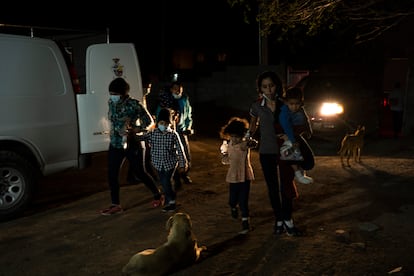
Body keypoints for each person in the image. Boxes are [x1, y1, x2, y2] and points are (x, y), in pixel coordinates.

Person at [246, 70, 302, 237]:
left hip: (287, 147)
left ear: (276, 86)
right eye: (265, 87)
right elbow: (253, 124)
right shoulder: (256, 105)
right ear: (260, 89)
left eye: (271, 85)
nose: (269, 89)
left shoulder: (285, 103)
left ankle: (288, 220)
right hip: (267, 149)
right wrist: (248, 136)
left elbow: (298, 120)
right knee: (272, 187)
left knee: (287, 184)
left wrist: (300, 134)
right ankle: (278, 219)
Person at [100, 77, 164, 216]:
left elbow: (150, 122)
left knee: (140, 172)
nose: (112, 96)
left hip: (133, 143)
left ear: (123, 93)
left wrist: (136, 128)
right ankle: (115, 204)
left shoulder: (134, 104)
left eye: (115, 94)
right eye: (111, 93)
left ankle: (158, 195)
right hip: (116, 143)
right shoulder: (111, 102)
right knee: (112, 174)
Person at [138, 108, 188, 213]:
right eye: (161, 123)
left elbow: (180, 149)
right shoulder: (153, 133)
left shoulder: (173, 134)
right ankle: (169, 199)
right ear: (158, 123)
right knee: (164, 182)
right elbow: (141, 137)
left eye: (165, 123)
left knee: (166, 182)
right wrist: (133, 133)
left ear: (169, 123)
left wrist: (183, 164)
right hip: (157, 163)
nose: (163, 125)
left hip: (170, 163)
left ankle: (172, 202)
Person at [219, 117, 256, 234]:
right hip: (233, 176)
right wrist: (224, 157)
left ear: (241, 135)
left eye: (237, 137)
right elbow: (226, 160)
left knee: (243, 201)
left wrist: (251, 142)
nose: (234, 139)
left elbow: (251, 144)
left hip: (245, 176)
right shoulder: (228, 145)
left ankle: (246, 223)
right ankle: (233, 207)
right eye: (232, 136)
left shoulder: (243, 145)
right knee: (232, 199)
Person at [156, 81, 194, 190]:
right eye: (175, 89)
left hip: (181, 130)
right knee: (171, 155)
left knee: (185, 153)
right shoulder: (165, 102)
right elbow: (160, 118)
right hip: (169, 133)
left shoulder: (184, 100)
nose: (177, 91)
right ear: (170, 90)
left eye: (179, 89)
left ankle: (184, 174)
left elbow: (188, 115)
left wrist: (188, 127)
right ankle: (175, 179)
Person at [279, 86, 315, 184]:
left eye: (297, 104)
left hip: (298, 135)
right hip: (288, 135)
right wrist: (292, 140)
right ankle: (298, 174)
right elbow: (286, 127)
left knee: (306, 156)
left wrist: (308, 130)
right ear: (286, 102)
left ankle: (303, 171)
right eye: (292, 104)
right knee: (290, 150)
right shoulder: (284, 112)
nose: (294, 107)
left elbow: (306, 120)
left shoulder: (301, 111)